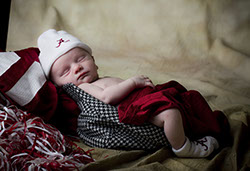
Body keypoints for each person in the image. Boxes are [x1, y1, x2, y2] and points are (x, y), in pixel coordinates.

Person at [38, 29, 229, 157]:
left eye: (81, 58)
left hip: (144, 100)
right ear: (58, 84)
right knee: (171, 115)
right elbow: (107, 97)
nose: (77, 68)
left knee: (189, 98)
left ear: (93, 60)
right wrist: (132, 82)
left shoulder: (99, 79)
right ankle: (184, 147)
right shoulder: (82, 87)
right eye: (65, 71)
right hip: (133, 110)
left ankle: (201, 128)